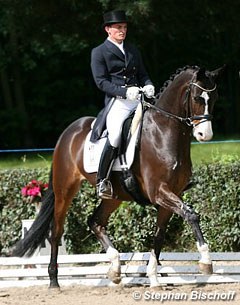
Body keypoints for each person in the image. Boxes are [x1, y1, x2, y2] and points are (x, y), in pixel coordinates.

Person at [91, 9, 155, 199]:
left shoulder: (132, 49)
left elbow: (142, 73)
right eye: (118, 27)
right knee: (116, 135)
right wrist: (124, 91)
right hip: (117, 102)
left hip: (138, 100)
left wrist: (148, 84)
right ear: (108, 29)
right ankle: (102, 181)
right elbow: (101, 81)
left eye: (124, 27)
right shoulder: (99, 52)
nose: (122, 30)